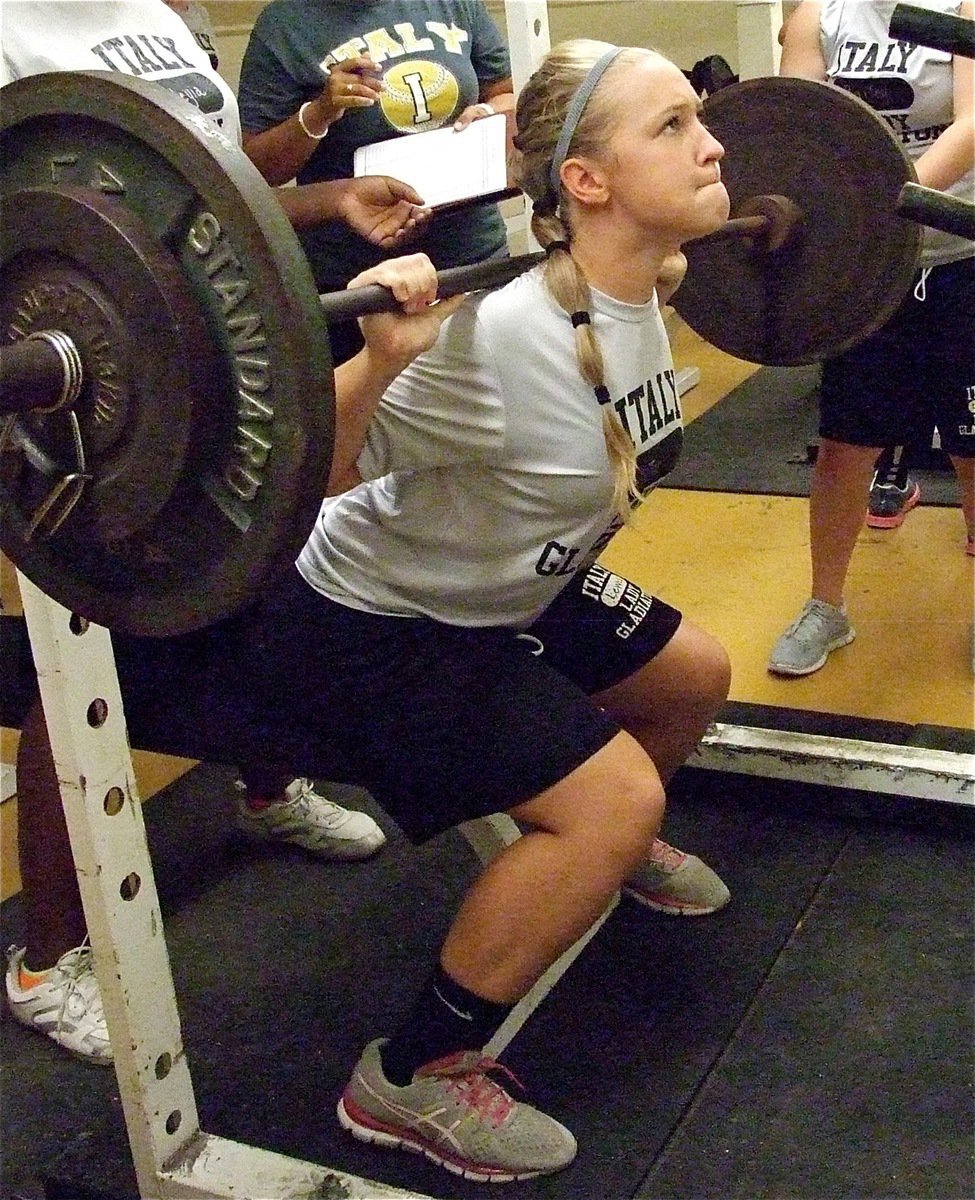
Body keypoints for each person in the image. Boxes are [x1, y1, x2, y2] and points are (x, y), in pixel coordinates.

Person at [9, 27, 735, 1177]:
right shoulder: (496, 346)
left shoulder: (641, 288)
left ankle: (591, 860)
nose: (713, 143)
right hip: (374, 620)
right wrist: (386, 360)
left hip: (511, 575)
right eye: (675, 126)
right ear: (587, 182)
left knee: (694, 677)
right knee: (612, 803)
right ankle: (410, 1078)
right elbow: (306, 480)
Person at [0, 0, 437, 1063]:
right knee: (88, 659)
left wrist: (328, 195)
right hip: (84, 411)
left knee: (251, 576)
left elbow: (200, 190)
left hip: (218, 372)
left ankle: (268, 789)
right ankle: (46, 960)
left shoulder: (155, 13)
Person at [769, 0, 975, 677]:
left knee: (972, 444)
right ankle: (825, 606)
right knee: (845, 442)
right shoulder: (821, 14)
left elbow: (972, 124)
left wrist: (874, 206)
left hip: (959, 254)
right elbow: (795, 126)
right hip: (866, 271)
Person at [237, 0, 515, 364]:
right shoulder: (283, 26)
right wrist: (320, 112)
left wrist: (489, 113)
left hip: (470, 257)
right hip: (359, 285)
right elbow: (258, 170)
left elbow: (506, 92)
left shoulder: (455, 4)